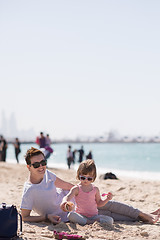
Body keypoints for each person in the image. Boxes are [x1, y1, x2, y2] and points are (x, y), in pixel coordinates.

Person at [20, 147, 159, 224]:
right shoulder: (29, 191)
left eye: (43, 163)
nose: (41, 167)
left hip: (79, 199)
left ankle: (144, 214)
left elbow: (67, 186)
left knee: (110, 204)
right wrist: (46, 217)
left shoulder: (48, 174)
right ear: (29, 167)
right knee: (111, 214)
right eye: (36, 164)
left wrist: (82, 188)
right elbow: (25, 217)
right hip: (75, 214)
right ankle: (143, 216)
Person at [60, 159, 114, 225]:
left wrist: (107, 199)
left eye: (89, 178)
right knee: (70, 215)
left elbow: (99, 203)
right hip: (80, 215)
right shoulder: (77, 188)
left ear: (93, 177)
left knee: (110, 220)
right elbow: (67, 197)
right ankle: (90, 222)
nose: (86, 180)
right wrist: (64, 201)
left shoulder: (95, 189)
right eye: (83, 177)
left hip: (94, 216)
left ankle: (88, 221)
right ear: (78, 175)